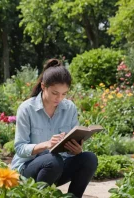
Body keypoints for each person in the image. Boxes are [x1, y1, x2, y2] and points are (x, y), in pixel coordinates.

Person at [11, 58, 98, 198]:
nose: (59, 98)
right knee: (52, 160)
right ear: (43, 86)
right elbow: (20, 149)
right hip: (27, 169)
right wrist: (46, 145)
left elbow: (69, 148)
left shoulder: (69, 108)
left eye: (64, 94)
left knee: (89, 158)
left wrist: (75, 150)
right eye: (55, 93)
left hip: (56, 168)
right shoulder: (27, 109)